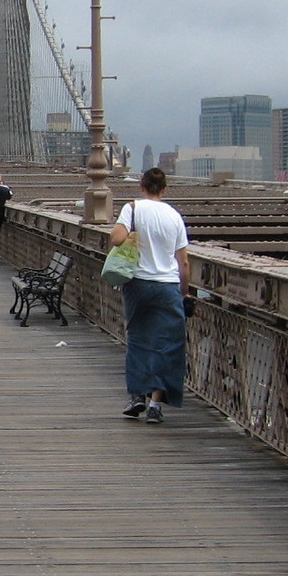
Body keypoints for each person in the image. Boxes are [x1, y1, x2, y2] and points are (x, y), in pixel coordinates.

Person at [112, 167, 192, 424]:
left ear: (142, 187)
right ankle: (156, 403)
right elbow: (184, 262)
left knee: (138, 339)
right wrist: (184, 291)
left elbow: (117, 238)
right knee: (167, 344)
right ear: (165, 189)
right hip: (167, 285)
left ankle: (137, 396)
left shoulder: (133, 208)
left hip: (138, 282)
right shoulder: (174, 216)